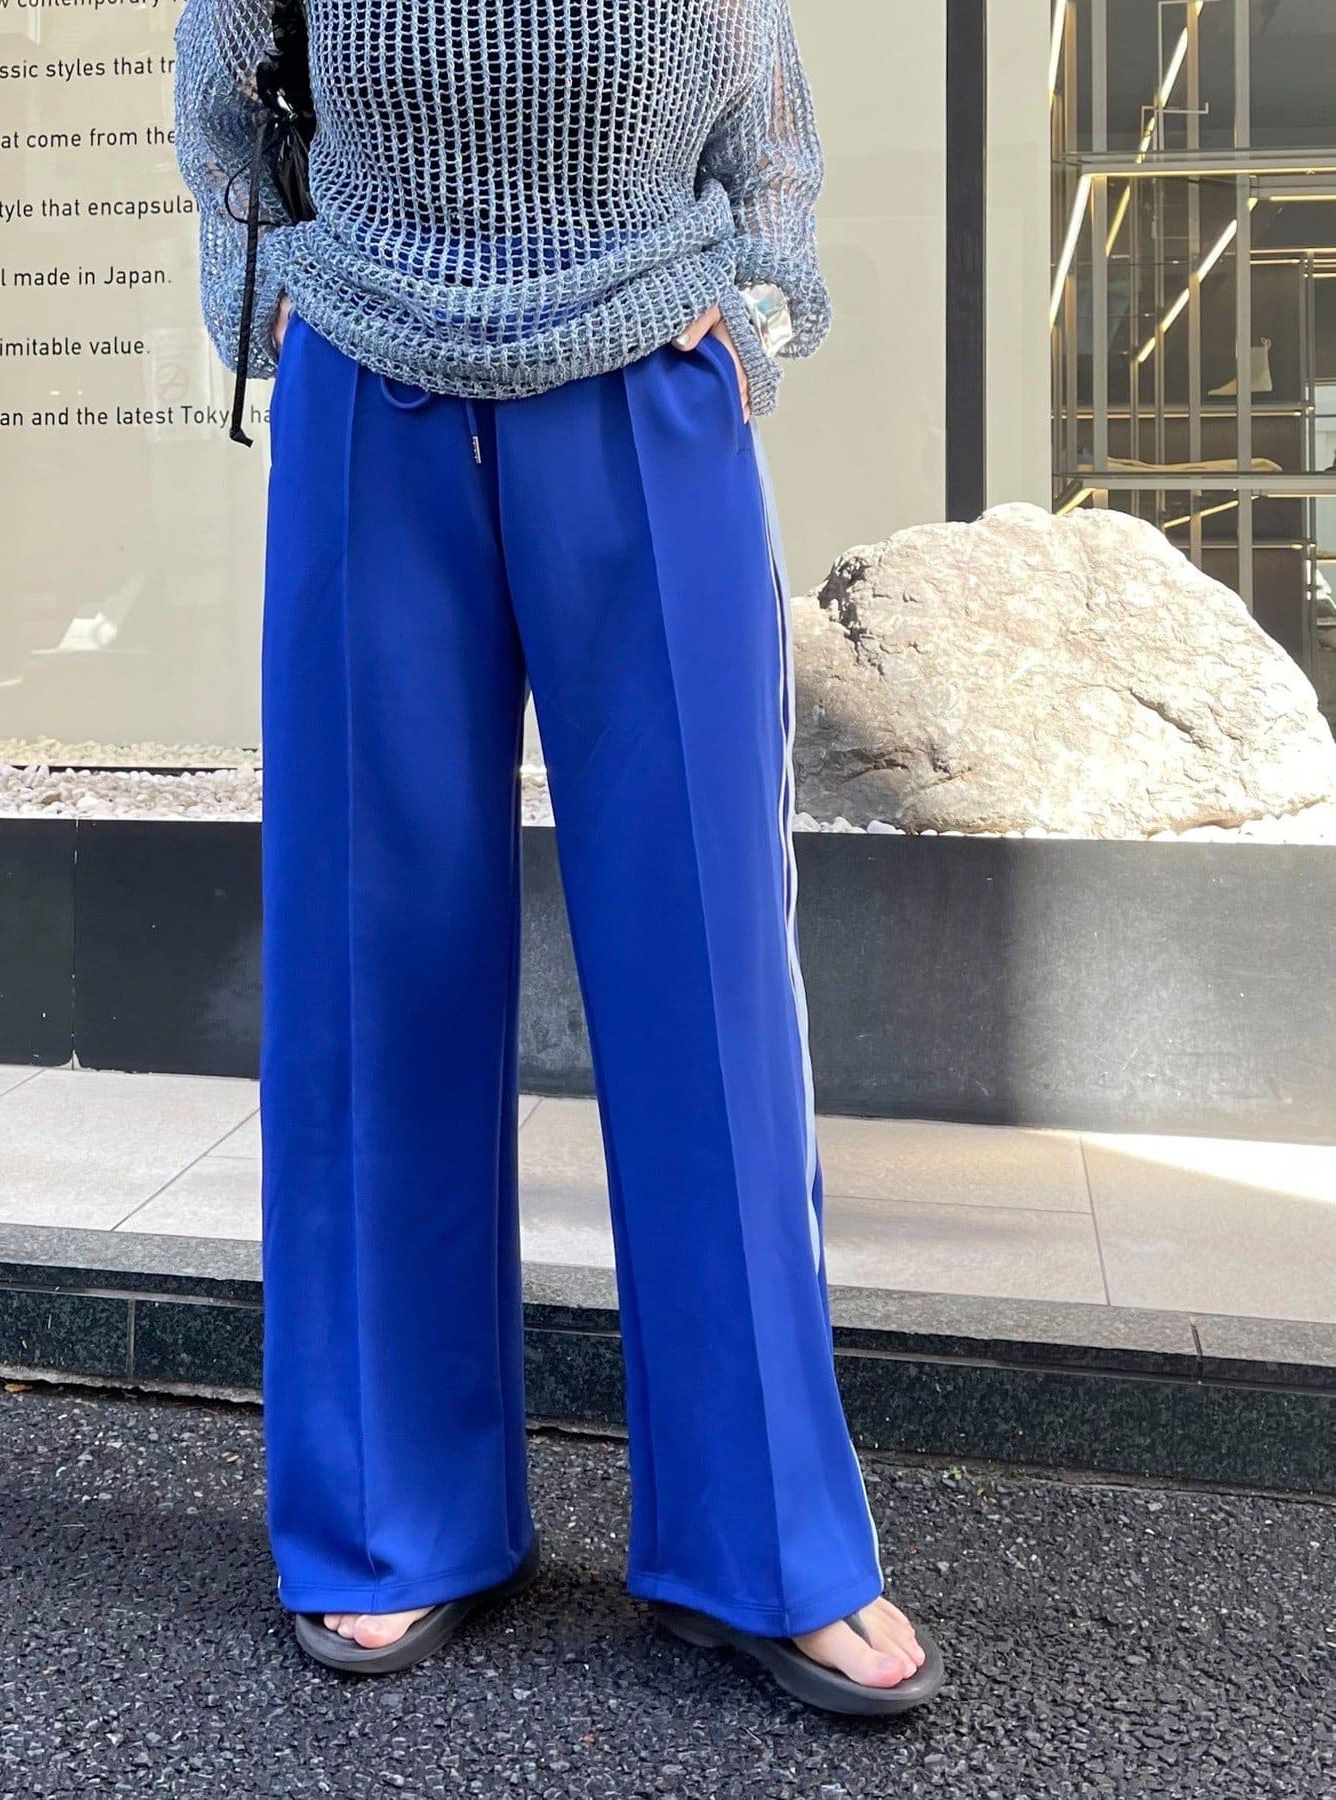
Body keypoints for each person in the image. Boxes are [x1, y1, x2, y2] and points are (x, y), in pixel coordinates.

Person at [172, 0, 944, 1716]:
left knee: (708, 975)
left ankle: (768, 1545)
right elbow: (222, 90)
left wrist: (752, 300)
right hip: (369, 384)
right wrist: (266, 291)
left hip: (648, 387)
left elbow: (769, 123)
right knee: (370, 963)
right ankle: (390, 1517)